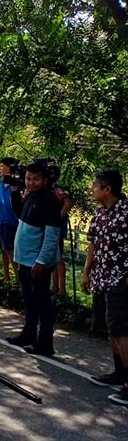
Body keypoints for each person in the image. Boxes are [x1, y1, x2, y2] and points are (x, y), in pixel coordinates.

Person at [81, 170, 128, 406]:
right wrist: (86, 272)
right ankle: (119, 372)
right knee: (112, 328)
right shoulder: (99, 214)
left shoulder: (126, 213)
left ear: (107, 189)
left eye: (95, 185)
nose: (92, 189)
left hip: (121, 280)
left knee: (122, 330)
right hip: (102, 278)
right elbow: (92, 244)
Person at [4, 162, 60, 356]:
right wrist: (14, 192)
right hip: (25, 260)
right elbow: (21, 215)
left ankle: (45, 343)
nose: (31, 182)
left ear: (45, 180)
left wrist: (41, 261)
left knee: (42, 301)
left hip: (37, 263)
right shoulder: (31, 197)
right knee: (29, 299)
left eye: (36, 179)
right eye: (28, 178)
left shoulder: (49, 201)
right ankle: (28, 334)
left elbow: (52, 235)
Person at [0, 158, 22, 283]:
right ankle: (6, 277)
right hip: (0, 220)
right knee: (3, 249)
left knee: (10, 249)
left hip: (11, 220)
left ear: (10, 167)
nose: (0, 168)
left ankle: (18, 278)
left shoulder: (17, 185)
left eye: (3, 166)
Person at [51, 181, 72, 295]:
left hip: (57, 229)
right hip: (51, 228)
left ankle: (62, 289)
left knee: (58, 258)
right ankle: (54, 287)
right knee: (53, 258)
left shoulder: (57, 190)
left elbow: (68, 203)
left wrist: (57, 218)